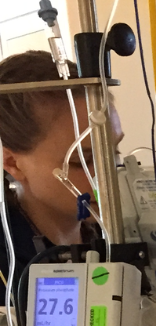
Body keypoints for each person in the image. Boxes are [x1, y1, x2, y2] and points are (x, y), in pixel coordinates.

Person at [0, 50, 124, 299]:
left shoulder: (120, 235)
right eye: (84, 160)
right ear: (13, 162)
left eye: (114, 151)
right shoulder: (9, 266)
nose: (109, 176)